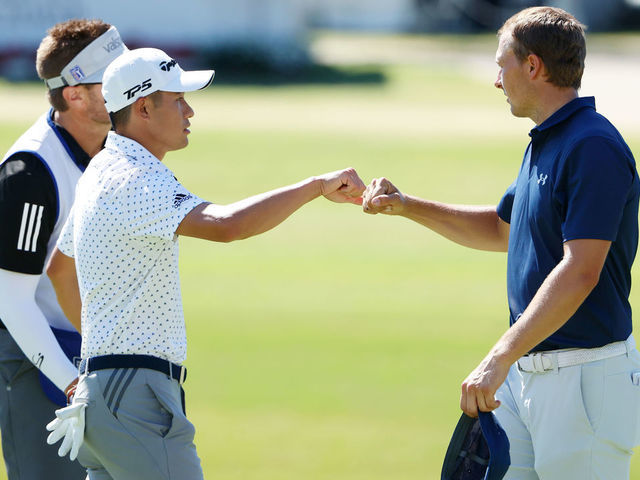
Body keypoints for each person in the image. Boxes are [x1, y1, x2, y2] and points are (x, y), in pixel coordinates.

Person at [44, 47, 365, 479]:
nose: (189, 110)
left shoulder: (101, 170)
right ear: (143, 107)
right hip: (134, 396)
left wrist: (101, 363)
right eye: (177, 99)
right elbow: (228, 225)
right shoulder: (135, 179)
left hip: (104, 395)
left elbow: (60, 271)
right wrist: (316, 186)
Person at [362, 6, 640, 479]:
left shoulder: (592, 146)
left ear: (532, 66)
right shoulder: (545, 141)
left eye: (501, 64)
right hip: (528, 374)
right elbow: (501, 230)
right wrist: (407, 206)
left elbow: (581, 271)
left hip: (584, 378)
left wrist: (499, 357)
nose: (496, 79)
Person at [0, 19, 126, 479]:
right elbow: (11, 300)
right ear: (74, 93)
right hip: (34, 354)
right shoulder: (30, 172)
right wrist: (72, 382)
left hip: (94, 352)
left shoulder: (119, 146)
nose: (129, 89)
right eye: (113, 80)